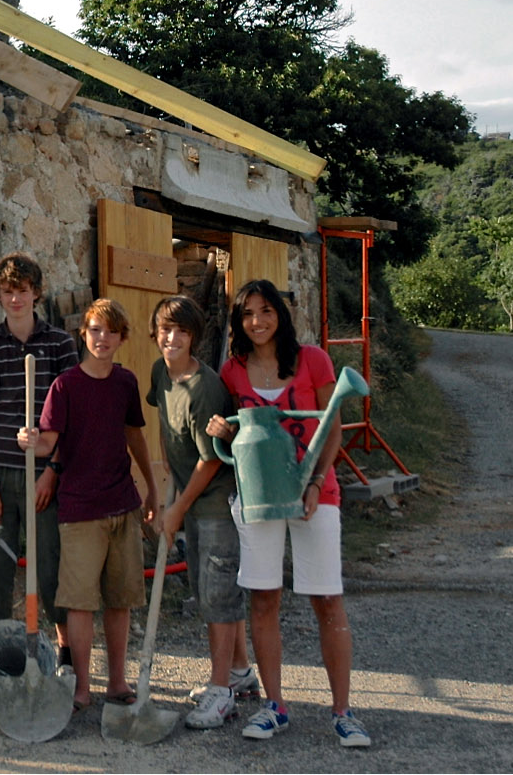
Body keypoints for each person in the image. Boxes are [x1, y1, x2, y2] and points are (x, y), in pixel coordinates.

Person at [204, 278, 372, 748]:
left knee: (327, 601)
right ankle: (274, 706)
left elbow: (332, 430)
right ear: (239, 322)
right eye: (248, 314)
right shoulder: (233, 371)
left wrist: (317, 482)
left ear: (280, 313)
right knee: (263, 599)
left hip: (316, 494)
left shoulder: (313, 360)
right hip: (259, 496)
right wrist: (221, 427)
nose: (257, 321)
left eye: (266, 311)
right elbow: (225, 429)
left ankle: (343, 711)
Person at [20, 298, 159, 712]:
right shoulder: (65, 385)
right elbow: (48, 440)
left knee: (120, 599)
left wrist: (151, 486)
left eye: (111, 332)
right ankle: (82, 687)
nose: (102, 339)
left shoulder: (126, 382)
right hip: (79, 509)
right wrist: (29, 441)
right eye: (95, 330)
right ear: (84, 333)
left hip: (122, 503)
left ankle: (116, 683)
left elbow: (134, 436)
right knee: (80, 602)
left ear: (121, 338)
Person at [0, 252, 80, 698]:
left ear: (36, 292)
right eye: (8, 291)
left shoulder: (59, 344)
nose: (16, 298)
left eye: (23, 290)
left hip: (45, 480)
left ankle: (66, 658)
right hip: (1, 477)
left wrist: (52, 472)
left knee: (51, 572)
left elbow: (68, 417)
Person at [145, 295, 257, 729]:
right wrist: (164, 499)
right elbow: (166, 431)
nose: (171, 338)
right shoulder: (160, 373)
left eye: (181, 331)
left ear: (193, 337)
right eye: (164, 329)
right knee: (209, 584)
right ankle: (241, 672)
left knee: (215, 593)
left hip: (215, 502)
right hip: (188, 497)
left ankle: (221, 690)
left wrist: (177, 510)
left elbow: (210, 459)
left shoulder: (205, 387)